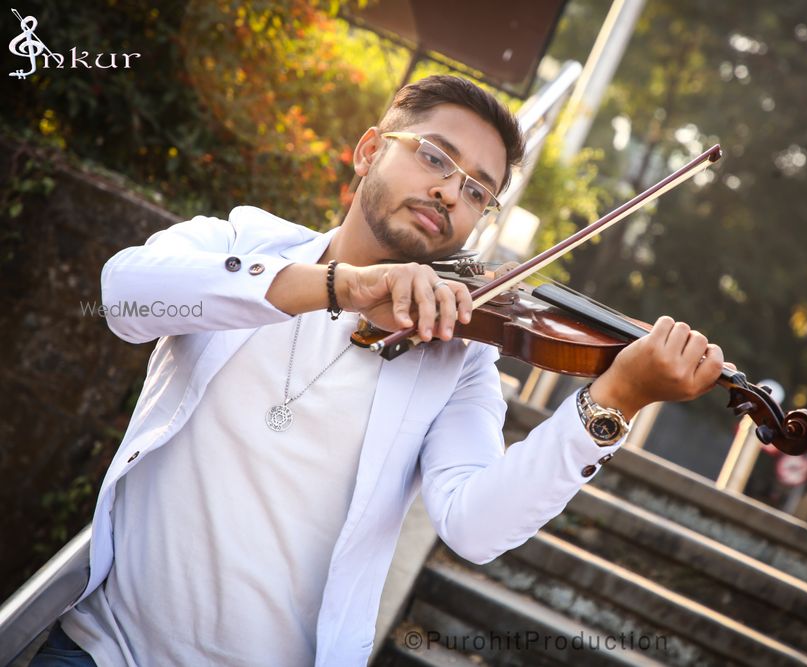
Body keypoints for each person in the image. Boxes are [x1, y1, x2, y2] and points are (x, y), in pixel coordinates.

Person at [33, 75, 729, 667]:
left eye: (478, 191)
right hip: (103, 649)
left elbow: (475, 526)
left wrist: (612, 401)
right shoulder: (246, 241)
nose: (451, 193)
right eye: (435, 157)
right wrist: (342, 286)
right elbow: (126, 293)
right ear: (369, 150)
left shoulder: (459, 355)